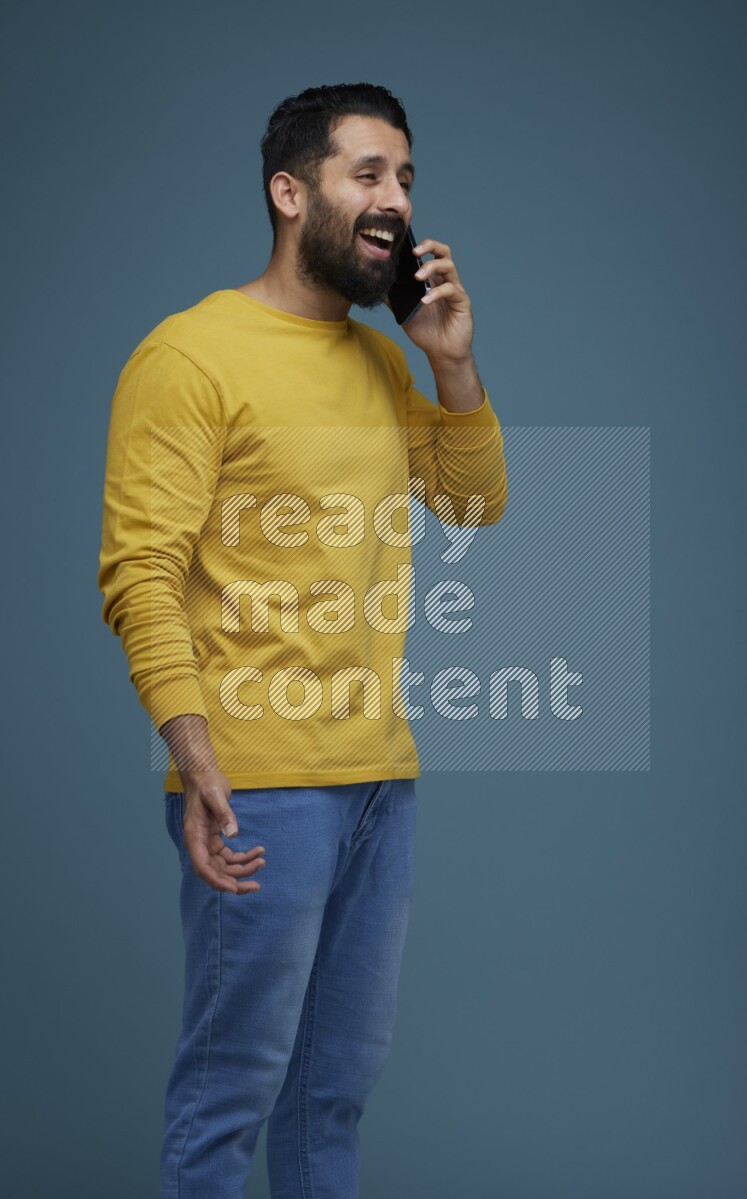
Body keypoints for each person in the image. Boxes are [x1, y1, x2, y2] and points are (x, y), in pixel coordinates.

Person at [97, 82, 507, 1198]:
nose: (396, 199)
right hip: (259, 784)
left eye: (405, 177)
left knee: (331, 1092)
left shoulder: (380, 361)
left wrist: (450, 364)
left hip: (379, 780)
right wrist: (193, 754)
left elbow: (472, 507)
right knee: (231, 1084)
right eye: (366, 173)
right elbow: (140, 572)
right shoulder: (190, 356)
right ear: (289, 192)